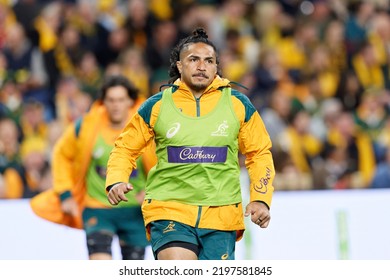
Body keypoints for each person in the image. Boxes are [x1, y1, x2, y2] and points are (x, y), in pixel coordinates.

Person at [106, 28, 275, 260]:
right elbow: (125, 147)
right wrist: (116, 178)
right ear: (179, 65)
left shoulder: (238, 105)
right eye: (193, 60)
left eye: (209, 61)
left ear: (216, 67)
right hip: (169, 208)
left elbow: (259, 153)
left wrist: (260, 198)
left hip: (222, 213)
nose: (201, 66)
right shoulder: (156, 105)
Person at [31, 75, 156, 260]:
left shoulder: (148, 126)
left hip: (135, 211)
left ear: (130, 101)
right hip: (97, 207)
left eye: (121, 100)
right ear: (103, 102)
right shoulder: (86, 126)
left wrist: (151, 190)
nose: (116, 105)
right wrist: (65, 194)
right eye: (111, 100)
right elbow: (61, 155)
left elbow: (166, 159)